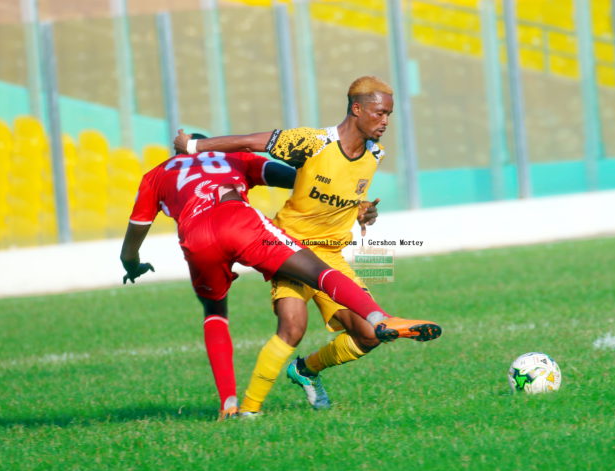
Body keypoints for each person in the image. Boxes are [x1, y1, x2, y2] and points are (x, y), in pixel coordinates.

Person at [121, 133, 441, 420]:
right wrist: (351, 201)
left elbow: (135, 235)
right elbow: (297, 179)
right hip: (253, 226)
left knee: (216, 312)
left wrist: (132, 265)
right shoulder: (233, 158)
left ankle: (245, 398)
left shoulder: (157, 175)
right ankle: (252, 406)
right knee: (298, 313)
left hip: (199, 237)